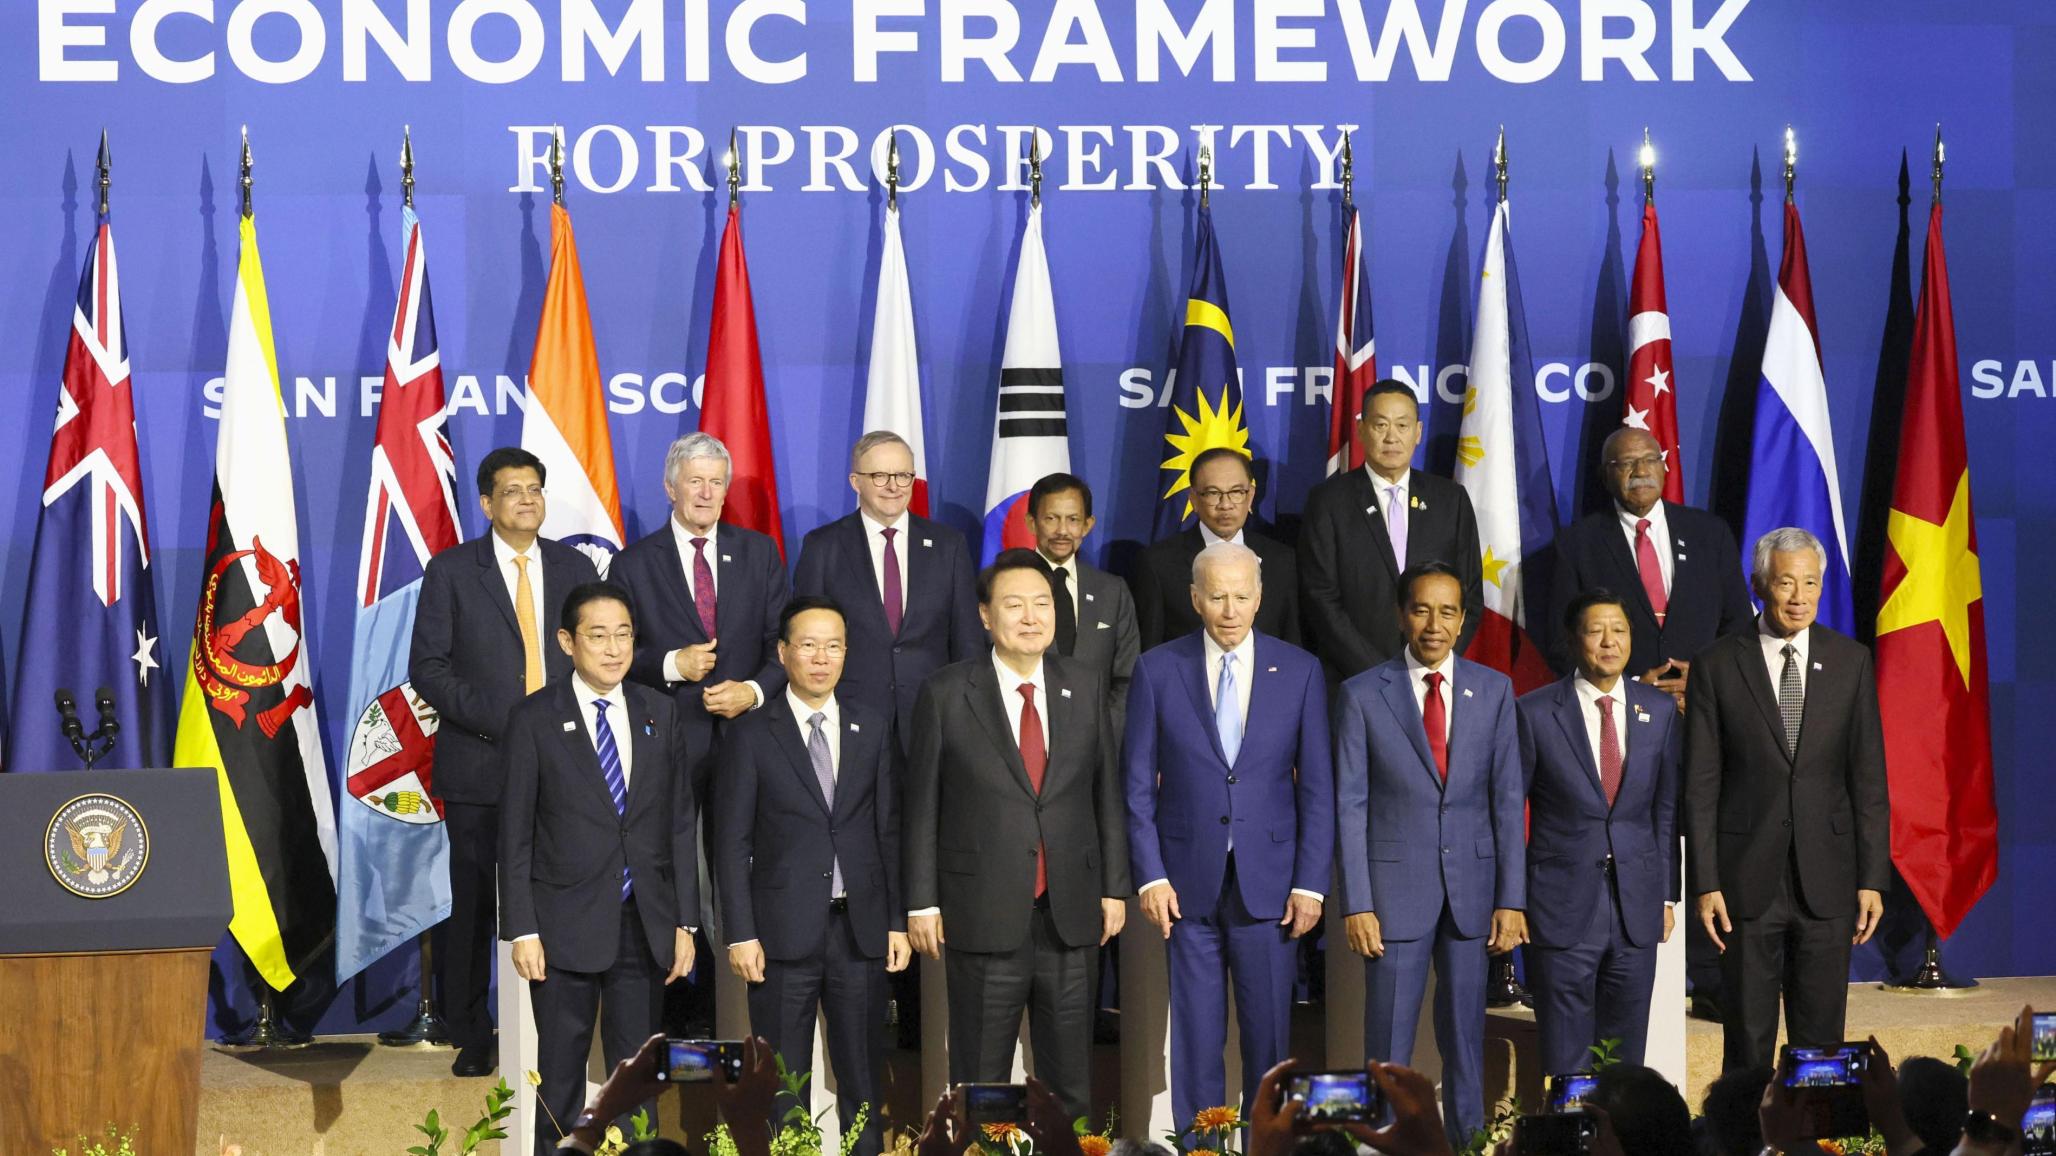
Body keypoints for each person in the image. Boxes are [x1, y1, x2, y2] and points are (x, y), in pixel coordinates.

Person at [902, 548, 1131, 1119]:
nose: (1031, 617)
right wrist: (922, 902)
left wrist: (1113, 888)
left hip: (1070, 912)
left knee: (1070, 1082)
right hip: (981, 911)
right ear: (985, 615)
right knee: (981, 1083)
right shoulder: (947, 692)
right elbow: (922, 806)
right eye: (1014, 605)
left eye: (1042, 604)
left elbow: (1105, 793)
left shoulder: (1084, 682)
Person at [1124, 542, 1331, 1125]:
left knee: (1269, 1047)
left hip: (1271, 889)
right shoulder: (1157, 669)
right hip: (1185, 889)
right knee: (1195, 1043)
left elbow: (1317, 788)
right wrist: (1151, 876)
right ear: (1195, 599)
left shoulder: (1300, 670)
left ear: (1260, 598)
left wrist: (1311, 885)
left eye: (1242, 596)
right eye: (1217, 596)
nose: (1230, 609)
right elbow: (1136, 786)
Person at [410, 446, 601, 1077]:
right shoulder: (452, 571)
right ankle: (471, 1028)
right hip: (481, 765)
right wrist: (510, 721)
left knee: (560, 896)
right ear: (487, 503)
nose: (527, 499)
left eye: (535, 489)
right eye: (512, 491)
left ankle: (558, 1029)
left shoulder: (574, 567)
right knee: (475, 903)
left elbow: (597, 655)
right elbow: (428, 669)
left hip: (567, 767)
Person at [1550, 428, 1752, 1024]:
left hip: (1706, 720)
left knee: (1704, 833)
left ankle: (1712, 974)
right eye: (1624, 463)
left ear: (1666, 466)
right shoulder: (1578, 543)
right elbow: (1561, 640)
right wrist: (1634, 687)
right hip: (1620, 723)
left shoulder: (1708, 533)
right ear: (1606, 473)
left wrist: (1701, 680)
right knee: (1640, 830)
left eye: (1648, 460)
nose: (1638, 471)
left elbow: (1739, 625)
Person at [499, 582, 700, 1156]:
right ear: (566, 641)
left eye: (624, 635)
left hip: (645, 923)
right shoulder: (535, 718)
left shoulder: (660, 711)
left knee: (638, 1080)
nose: (613, 649)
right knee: (559, 1081)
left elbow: (679, 824)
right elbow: (514, 833)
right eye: (597, 635)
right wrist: (524, 928)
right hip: (561, 928)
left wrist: (686, 922)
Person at [1333, 561, 1526, 1147]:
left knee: (1466, 1040)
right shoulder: (1363, 693)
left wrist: (1511, 900)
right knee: (1387, 1043)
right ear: (1401, 615)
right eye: (1421, 609)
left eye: (1447, 611)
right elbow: (1350, 806)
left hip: (1473, 896)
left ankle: (1466, 1144)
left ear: (1464, 619)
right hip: (1393, 899)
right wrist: (1357, 903)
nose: (1434, 624)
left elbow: (1507, 799)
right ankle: (1383, 1144)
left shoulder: (1493, 690)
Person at [1685, 527, 1891, 1072]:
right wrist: (1705, 882)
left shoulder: (1851, 662)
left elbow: (1868, 779)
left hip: (1828, 880)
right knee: (1748, 1044)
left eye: (1811, 583)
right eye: (1785, 583)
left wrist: (1872, 878)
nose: (1799, 596)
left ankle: (1814, 1146)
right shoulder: (1718, 664)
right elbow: (1701, 784)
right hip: (1746, 881)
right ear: (1759, 585)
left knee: (1822, 1043)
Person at [712, 596, 908, 1156]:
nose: (821, 658)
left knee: (863, 1078)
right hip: (778, 937)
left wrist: (895, 921)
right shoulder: (751, 734)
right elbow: (732, 842)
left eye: (834, 646)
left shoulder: (871, 724)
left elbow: (888, 829)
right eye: (808, 645)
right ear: (783, 652)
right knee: (780, 1082)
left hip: (861, 931)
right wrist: (741, 933)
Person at [612, 432, 790, 1034]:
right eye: (696, 480)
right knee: (676, 878)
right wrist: (671, 666)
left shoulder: (759, 552)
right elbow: (612, 654)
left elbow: (780, 646)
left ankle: (740, 1020)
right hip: (667, 748)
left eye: (718, 481)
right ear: (671, 487)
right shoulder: (634, 563)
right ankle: (680, 1021)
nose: (708, 492)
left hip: (748, 744)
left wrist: (754, 691)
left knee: (741, 874)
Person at [1518, 589, 1682, 1075]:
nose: (1609, 642)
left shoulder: (1659, 711)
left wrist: (1667, 897)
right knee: (1566, 1056)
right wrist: (1512, 899)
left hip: (1637, 905)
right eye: (1595, 630)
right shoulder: (1534, 711)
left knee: (1626, 1056)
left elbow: (1665, 810)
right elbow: (1510, 809)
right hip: (1561, 903)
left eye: (1620, 630)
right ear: (1573, 640)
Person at [1024, 471, 1141, 1042]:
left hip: (1094, 767)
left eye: (1073, 519)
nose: (1062, 529)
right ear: (1032, 523)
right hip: (1024, 768)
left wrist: (1087, 745)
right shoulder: (1011, 588)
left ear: (1089, 525)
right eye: (1051, 518)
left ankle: (1098, 1011)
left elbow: (1125, 681)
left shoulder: (1112, 590)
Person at [793, 430, 983, 756]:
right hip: (851, 716)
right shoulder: (823, 546)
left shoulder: (948, 545)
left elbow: (966, 637)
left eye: (903, 475)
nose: (894, 486)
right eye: (880, 476)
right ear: (856, 481)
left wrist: (967, 711)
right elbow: (806, 637)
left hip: (932, 714)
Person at [1298, 381, 1483, 682]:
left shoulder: (1450, 499)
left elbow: (1470, 593)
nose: (1391, 437)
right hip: (1356, 679)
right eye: (1381, 425)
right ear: (1361, 430)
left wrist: (1432, 661)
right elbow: (1320, 598)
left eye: (1402, 425)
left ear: (1418, 432)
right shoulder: (1329, 501)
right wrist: (1376, 674)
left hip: (1432, 678)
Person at [1131, 447, 1301, 651]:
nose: (1225, 504)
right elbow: (1151, 651)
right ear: (1193, 498)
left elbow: (1292, 644)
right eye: (1213, 493)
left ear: (1251, 495)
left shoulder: (1281, 559)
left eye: (1237, 492)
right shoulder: (1159, 564)